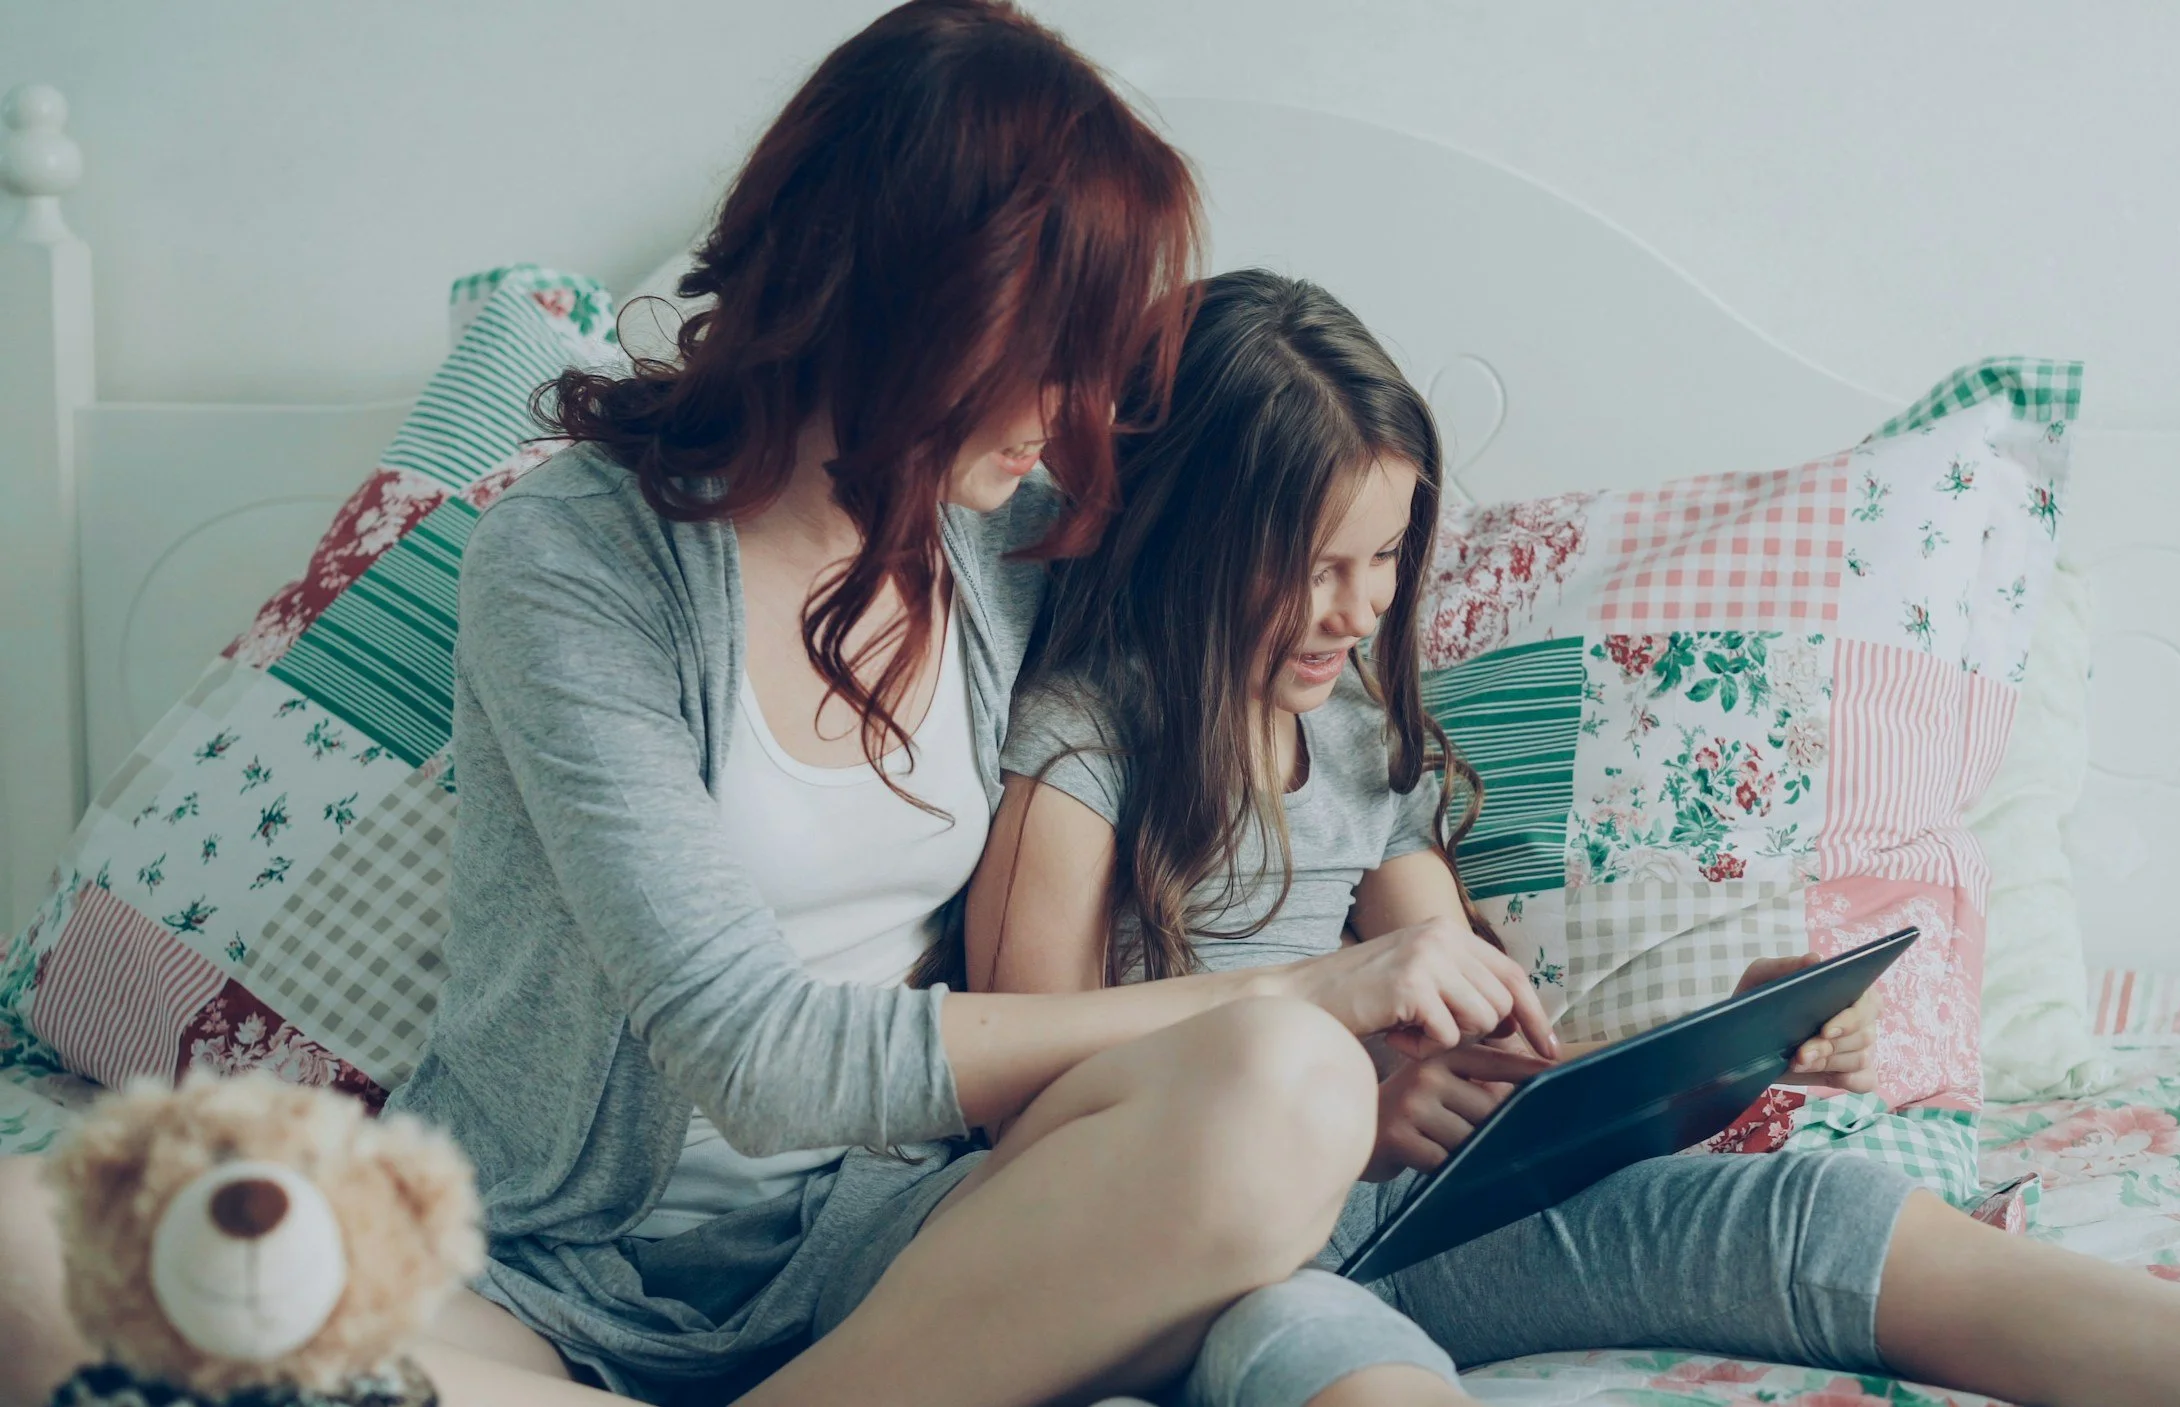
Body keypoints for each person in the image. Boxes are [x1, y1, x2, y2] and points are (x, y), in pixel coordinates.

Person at [0, 10, 1556, 1407]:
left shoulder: (1017, 542)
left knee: (1284, 1096)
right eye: (1053, 354)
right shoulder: (572, 561)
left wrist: (1397, 1012)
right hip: (531, 1266)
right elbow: (763, 1054)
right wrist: (1309, 989)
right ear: (915, 305)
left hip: (893, 1258)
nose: (1081, 412)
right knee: (27, 1248)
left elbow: (1287, 631)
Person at [962, 268, 2180, 1407]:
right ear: (1199, 531)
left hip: (1401, 1213)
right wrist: (1339, 1106)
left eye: (1383, 560)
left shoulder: (1356, 743)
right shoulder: (1089, 742)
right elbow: (1017, 1113)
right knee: (1329, 1360)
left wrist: (1707, 1048)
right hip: (1203, 1262)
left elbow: (1486, 1019)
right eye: (1312, 565)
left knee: (1808, 1213)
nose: (1355, 611)